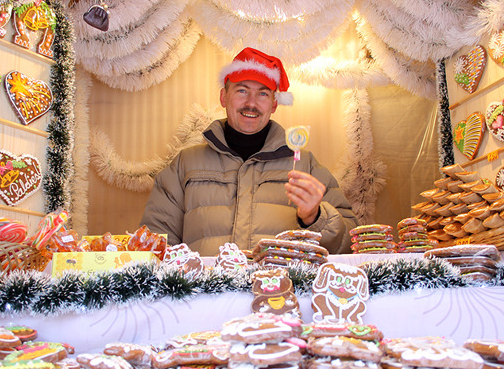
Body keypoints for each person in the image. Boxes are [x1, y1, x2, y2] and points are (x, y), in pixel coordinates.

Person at [140, 47, 357, 256]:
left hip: (279, 292)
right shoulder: (185, 165)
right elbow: (154, 245)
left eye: (262, 94)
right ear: (224, 97)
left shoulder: (306, 166)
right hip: (206, 294)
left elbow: (350, 245)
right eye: (242, 90)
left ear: (274, 104)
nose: (251, 103)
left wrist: (316, 217)